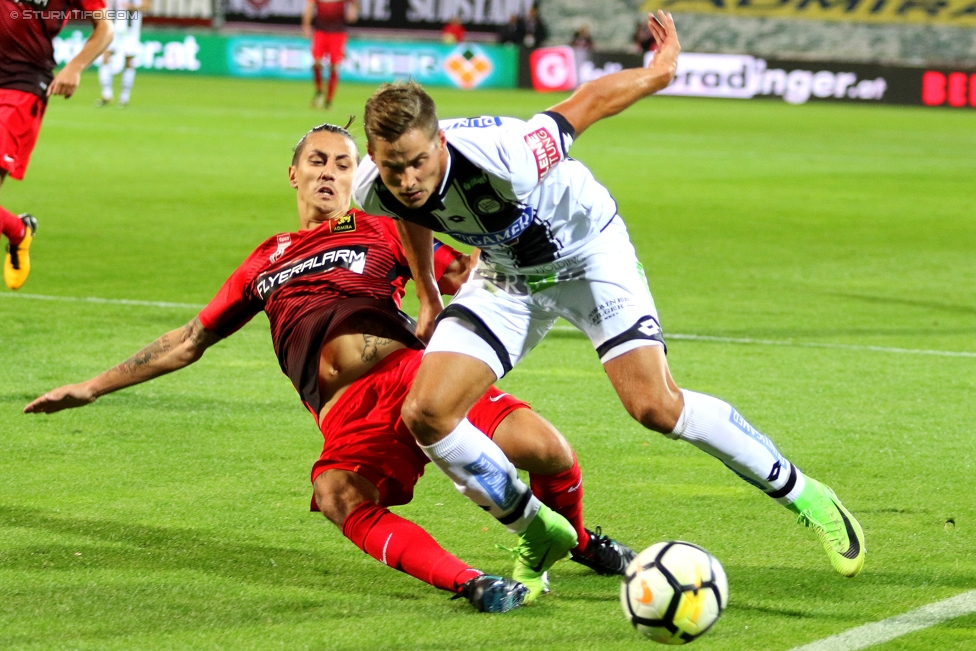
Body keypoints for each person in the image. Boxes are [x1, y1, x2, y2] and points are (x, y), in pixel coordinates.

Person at [25, 123, 635, 610]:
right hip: (345, 412)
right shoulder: (264, 259)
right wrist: (92, 387)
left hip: (419, 378)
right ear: (294, 173)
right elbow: (188, 340)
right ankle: (471, 583)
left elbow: (479, 273)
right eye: (318, 160)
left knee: (549, 451)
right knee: (337, 493)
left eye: (344, 164)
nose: (329, 172)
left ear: (358, 177)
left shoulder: (387, 228)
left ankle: (579, 543)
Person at [352, 11, 866, 580]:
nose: (408, 179)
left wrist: (660, 71)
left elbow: (589, 100)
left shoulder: (507, 155)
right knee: (428, 413)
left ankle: (803, 492)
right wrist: (427, 291)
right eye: (393, 167)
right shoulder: (377, 186)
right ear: (377, 158)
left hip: (588, 255)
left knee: (655, 407)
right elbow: (408, 211)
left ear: (440, 140)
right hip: (506, 276)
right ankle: (537, 532)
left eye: (419, 161)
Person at [0, 0, 113, 290]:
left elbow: (105, 27)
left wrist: (75, 67)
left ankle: (19, 231)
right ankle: (18, 231)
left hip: (20, 85)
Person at [302, 0, 357, 109]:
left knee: (334, 66)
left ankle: (329, 100)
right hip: (320, 31)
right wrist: (306, 26)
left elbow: (353, 6)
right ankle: (319, 89)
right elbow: (309, 8)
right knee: (316, 62)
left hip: (338, 32)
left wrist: (353, 11)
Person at [98, 0, 149, 107]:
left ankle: (124, 97)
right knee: (106, 56)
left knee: (129, 61)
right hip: (114, 26)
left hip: (131, 30)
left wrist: (131, 7)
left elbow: (146, 6)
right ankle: (106, 94)